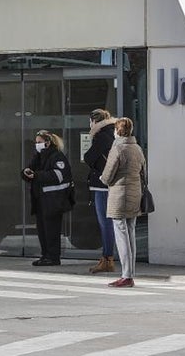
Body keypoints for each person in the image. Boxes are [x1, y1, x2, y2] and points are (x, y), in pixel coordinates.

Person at [100, 117, 145, 288]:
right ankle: (130, 274)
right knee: (131, 233)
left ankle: (126, 275)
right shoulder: (137, 149)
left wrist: (102, 178)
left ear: (117, 131)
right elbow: (143, 173)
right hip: (135, 193)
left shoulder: (117, 149)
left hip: (119, 195)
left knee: (121, 234)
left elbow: (107, 176)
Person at [22, 129, 74, 266]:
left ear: (48, 142)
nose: (37, 145)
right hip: (41, 199)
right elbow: (30, 170)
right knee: (42, 230)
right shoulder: (38, 156)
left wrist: (37, 175)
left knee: (52, 230)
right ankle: (45, 255)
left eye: (39, 142)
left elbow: (58, 175)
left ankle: (53, 257)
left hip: (53, 200)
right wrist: (25, 173)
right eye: (36, 142)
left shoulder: (57, 156)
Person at [83, 109, 117, 274]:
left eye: (90, 122)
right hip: (111, 184)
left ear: (94, 121)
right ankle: (107, 258)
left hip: (102, 185)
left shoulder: (102, 136)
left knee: (106, 223)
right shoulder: (114, 133)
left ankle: (107, 259)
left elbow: (89, 157)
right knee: (111, 223)